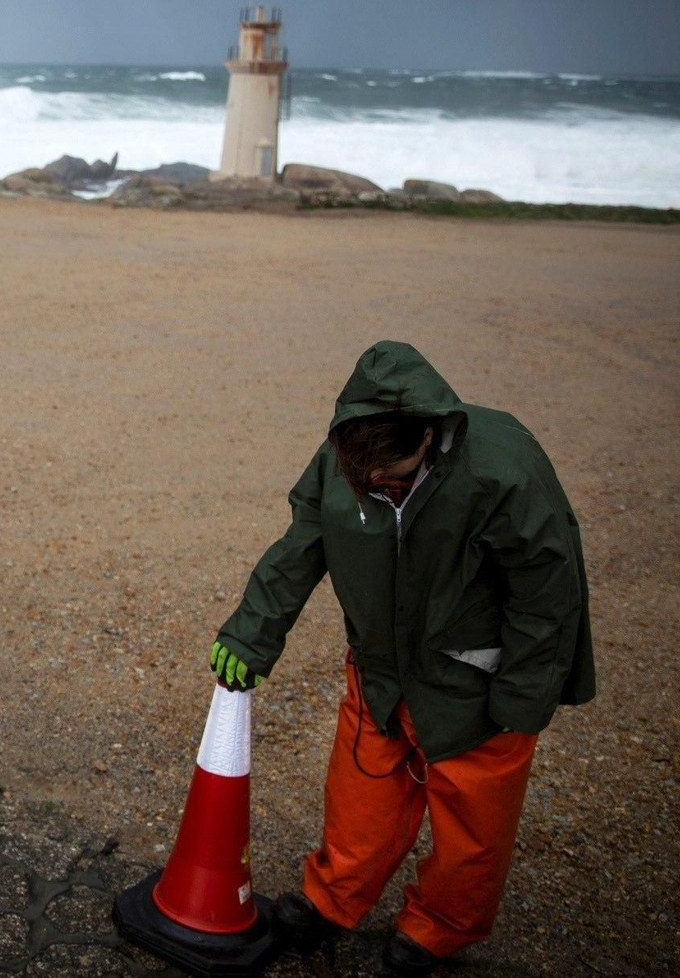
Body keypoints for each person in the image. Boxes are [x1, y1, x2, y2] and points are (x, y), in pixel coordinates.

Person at [208, 340, 594, 977]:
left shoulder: (504, 470)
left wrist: (524, 699)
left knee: (474, 826)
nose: (376, 484)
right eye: (365, 477)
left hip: (475, 681)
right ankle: (331, 899)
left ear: (430, 436)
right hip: (380, 670)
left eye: (393, 474)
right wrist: (252, 635)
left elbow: (547, 592)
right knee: (360, 792)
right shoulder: (346, 459)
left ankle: (436, 930)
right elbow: (301, 545)